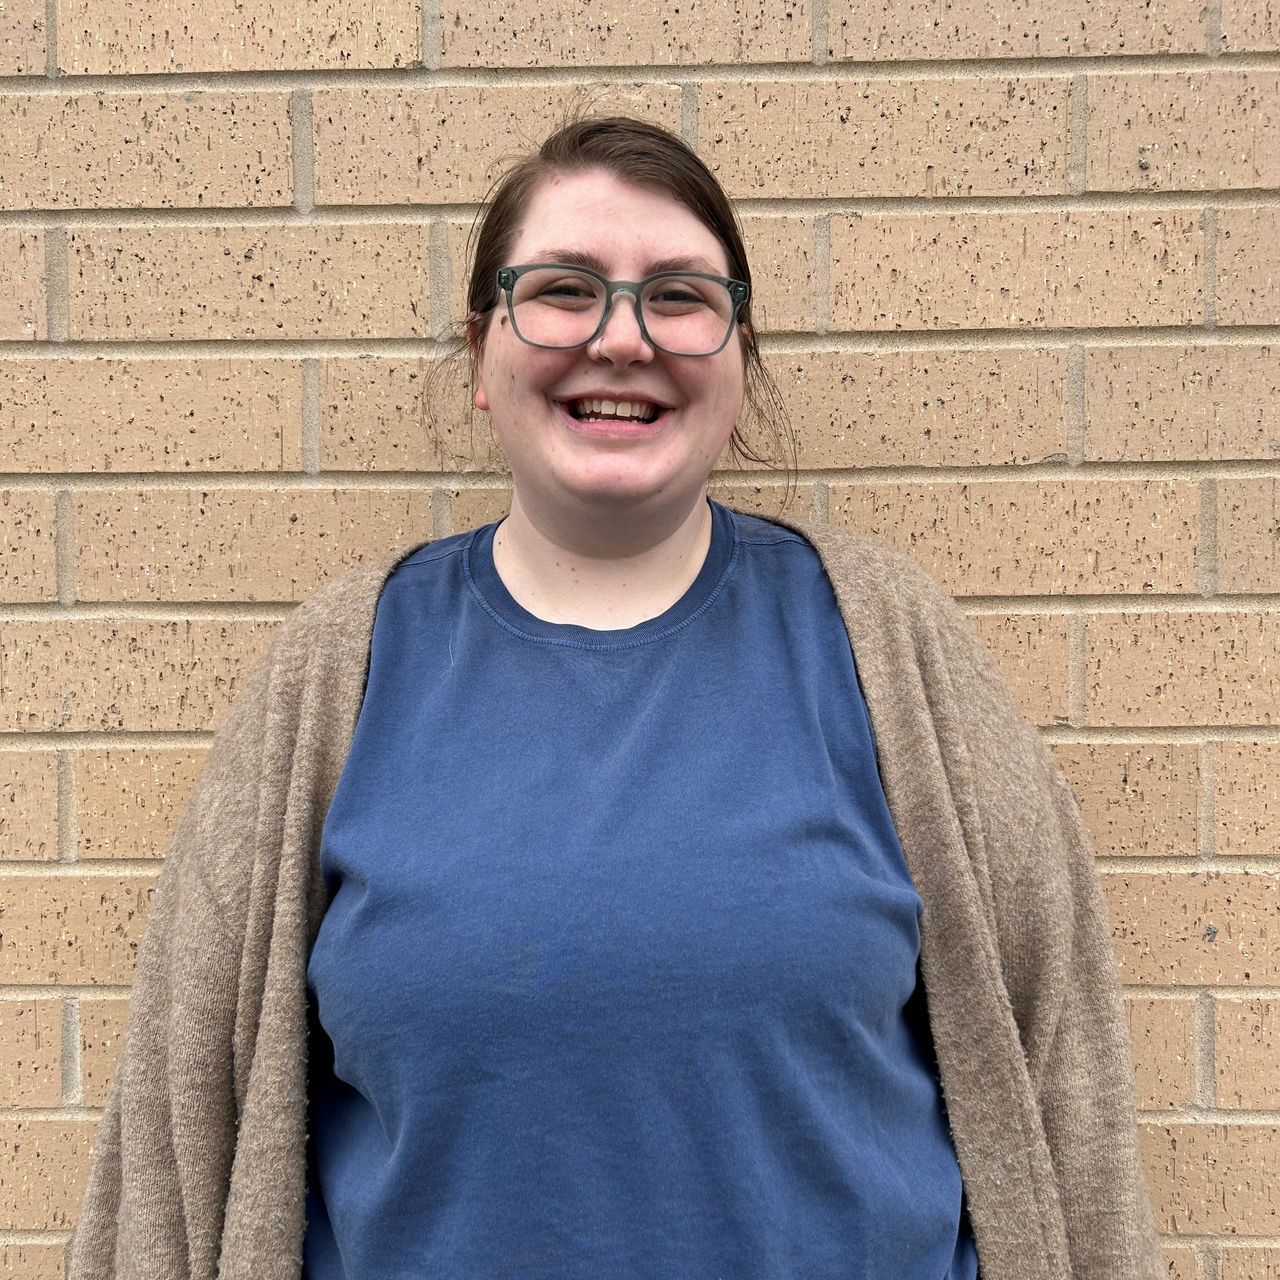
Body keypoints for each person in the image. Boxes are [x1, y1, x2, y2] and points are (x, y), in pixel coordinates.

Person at [70, 116, 1162, 1280]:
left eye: (678, 296)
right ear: (481, 353)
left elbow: (1063, 1082)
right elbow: (179, 1121)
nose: (622, 337)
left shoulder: (888, 646)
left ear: (736, 358)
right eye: (563, 290)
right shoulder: (338, 672)